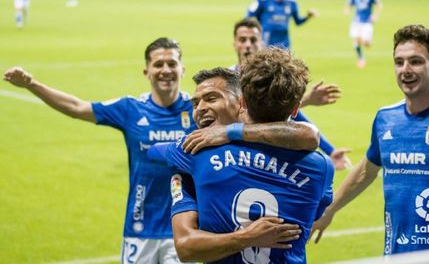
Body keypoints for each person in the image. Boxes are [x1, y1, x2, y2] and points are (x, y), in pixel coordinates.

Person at [4, 37, 321, 263]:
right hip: (141, 224)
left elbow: (282, 121)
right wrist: (33, 85)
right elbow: (76, 107)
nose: (166, 70)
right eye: (158, 64)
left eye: (172, 63)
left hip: (191, 229)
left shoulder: (204, 118)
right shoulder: (131, 109)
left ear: (183, 69)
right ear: (147, 71)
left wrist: (231, 130)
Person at [148, 49, 334, 263]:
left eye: (211, 98)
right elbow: (310, 135)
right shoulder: (322, 168)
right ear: (295, 110)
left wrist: (228, 132)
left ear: (242, 102)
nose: (200, 108)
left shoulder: (197, 154)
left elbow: (154, 151)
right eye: (196, 103)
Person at [310, 25, 429, 255]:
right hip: (396, 253)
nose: (405, 70)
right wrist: (329, 210)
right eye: (399, 62)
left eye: (415, 61)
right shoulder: (385, 118)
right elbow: (366, 171)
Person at [231, 17, 352, 170]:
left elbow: (293, 116)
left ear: (261, 42)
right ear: (235, 44)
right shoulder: (226, 81)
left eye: (253, 40)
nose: (248, 45)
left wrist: (331, 150)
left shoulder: (270, 80)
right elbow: (232, 116)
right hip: (240, 158)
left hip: (271, 159)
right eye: (242, 40)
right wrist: (306, 99)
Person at [247, 0, 318, 49]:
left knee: (285, 65)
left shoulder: (291, 1)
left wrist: (307, 16)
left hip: (284, 41)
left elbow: (298, 22)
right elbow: (249, 16)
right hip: (266, 40)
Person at [345, 0, 382, 68]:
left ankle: (367, 43)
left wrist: (375, 15)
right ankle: (361, 58)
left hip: (367, 22)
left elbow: (379, 5)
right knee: (356, 39)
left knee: (365, 43)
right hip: (356, 21)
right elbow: (349, 3)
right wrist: (347, 10)